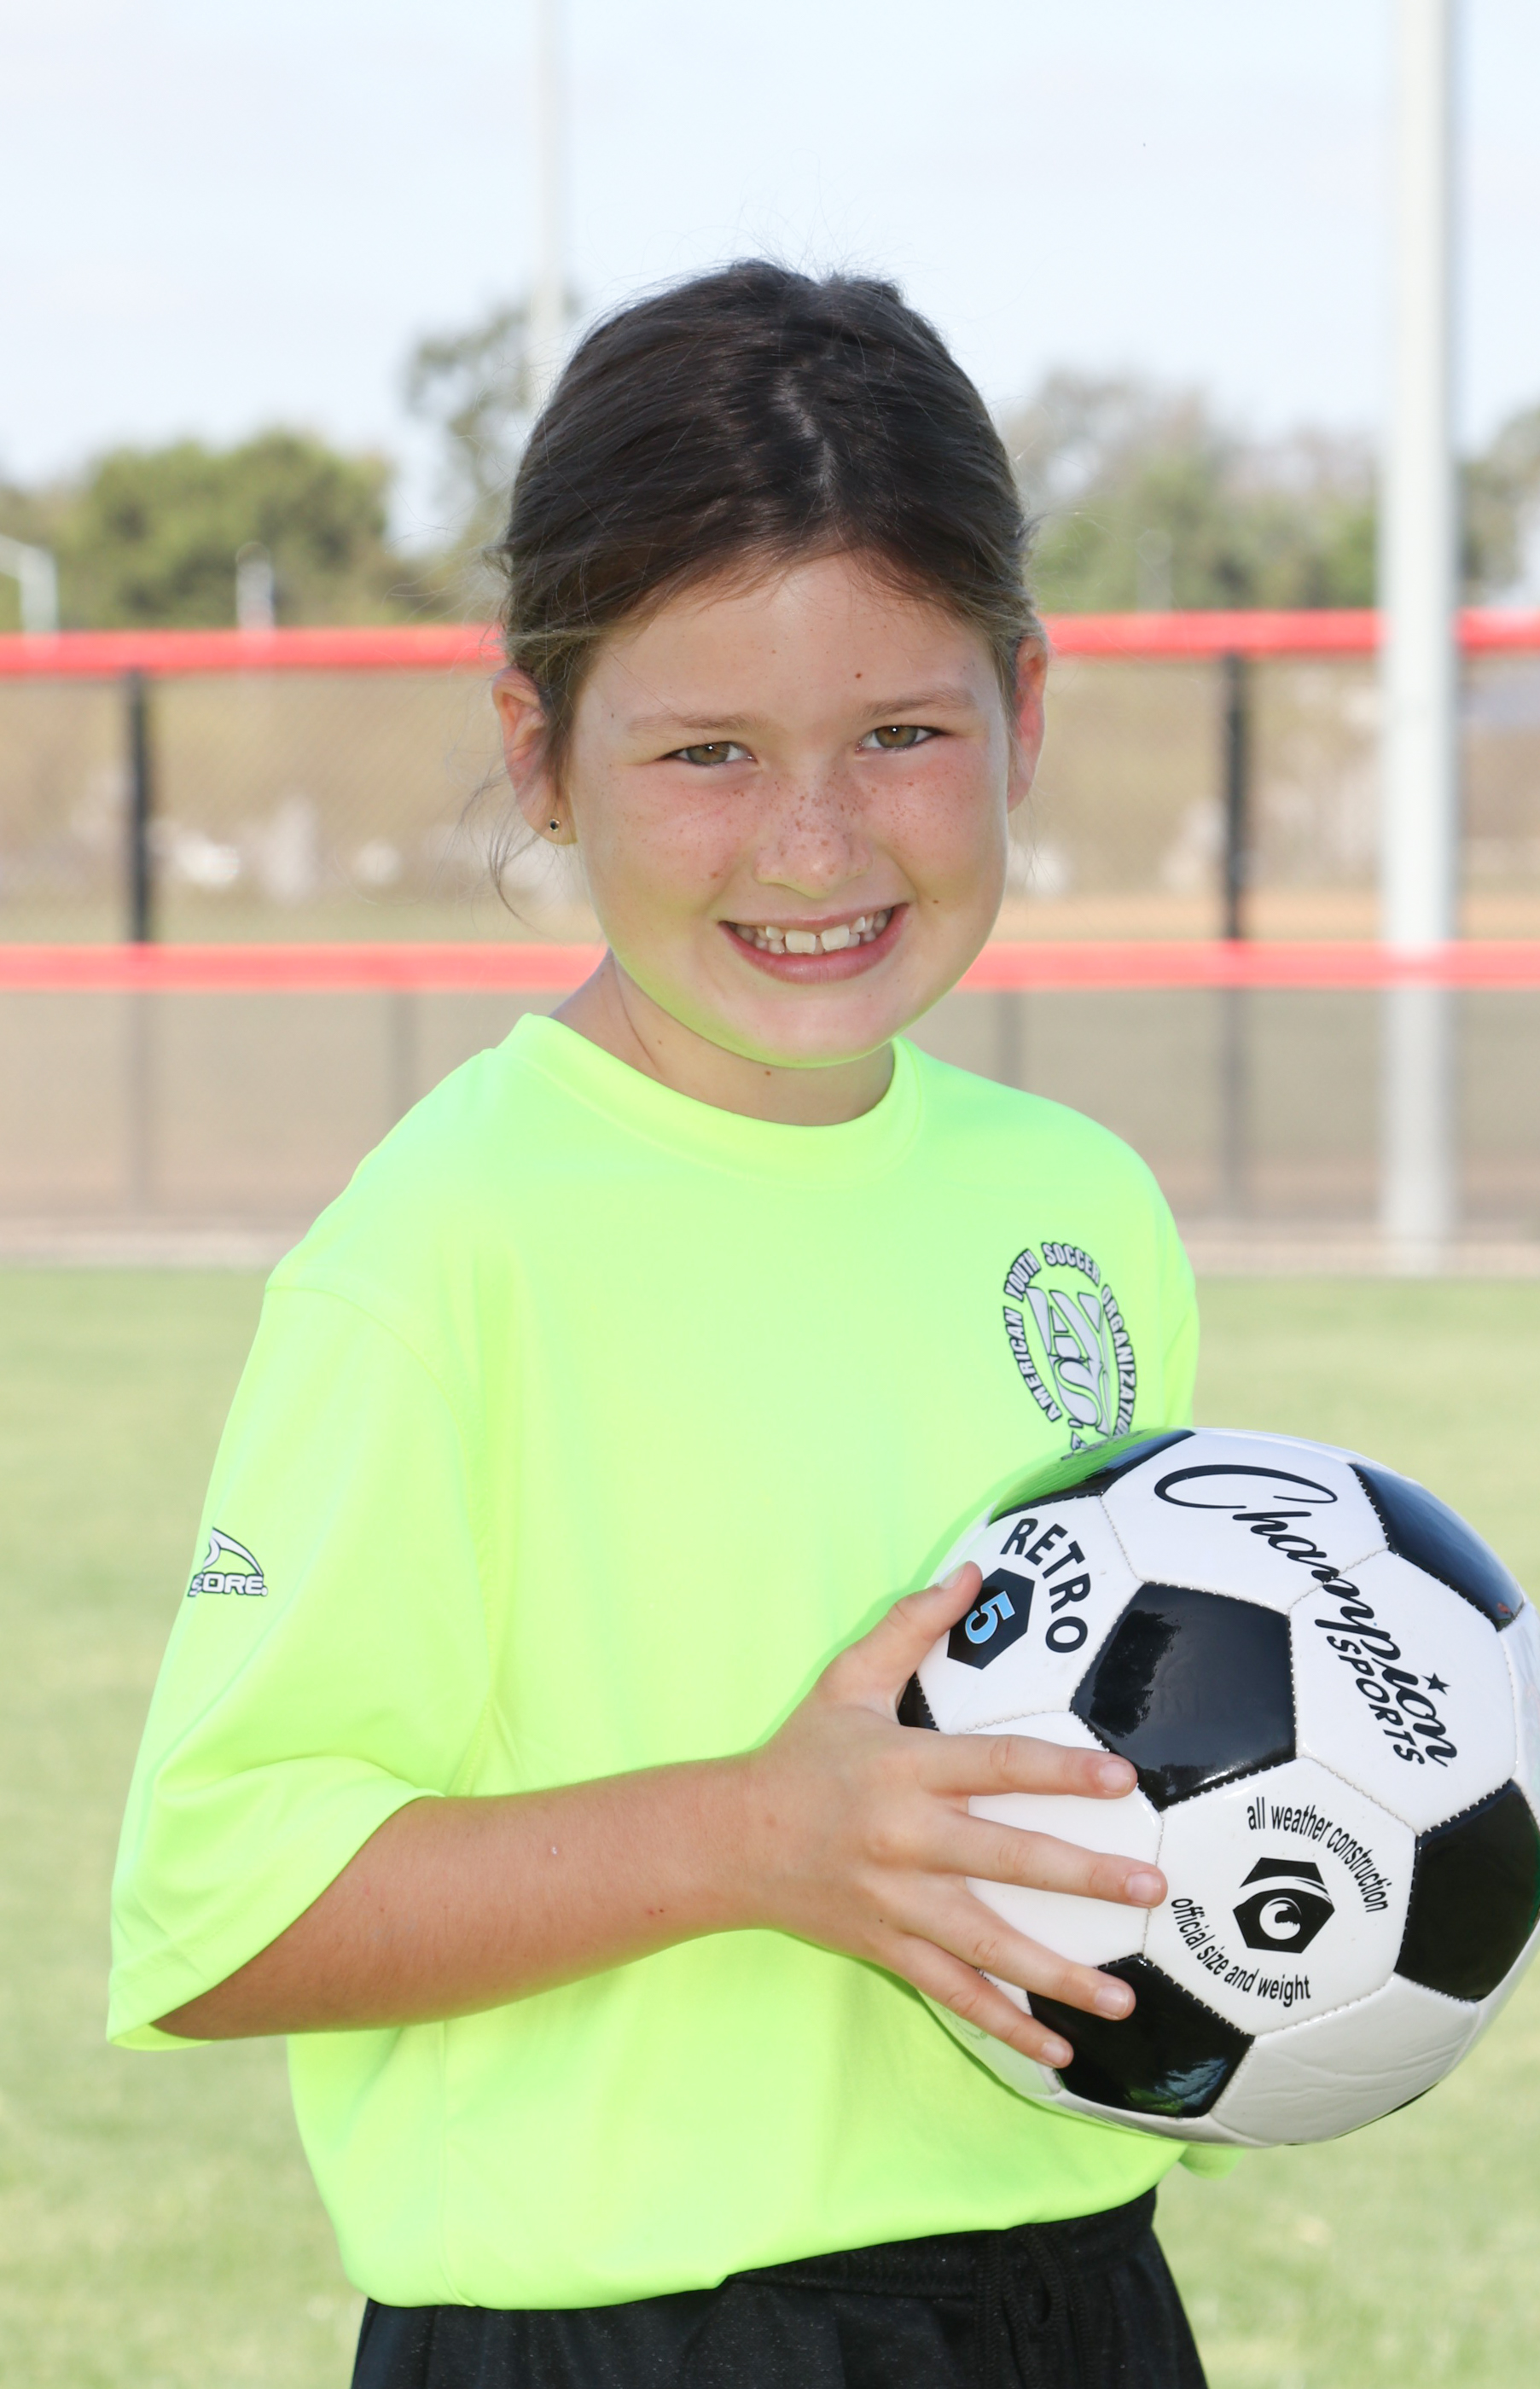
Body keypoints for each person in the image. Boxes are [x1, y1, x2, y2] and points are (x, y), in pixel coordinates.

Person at [109, 262, 1217, 2389]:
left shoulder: (1078, 1201)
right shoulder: (448, 1246)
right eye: (708, 751)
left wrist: (1380, 1835)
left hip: (1075, 2295)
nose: (813, 840)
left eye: (900, 735)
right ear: (539, 753)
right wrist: (752, 1837)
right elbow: (220, 1908)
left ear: (1024, 711)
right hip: (617, 2335)